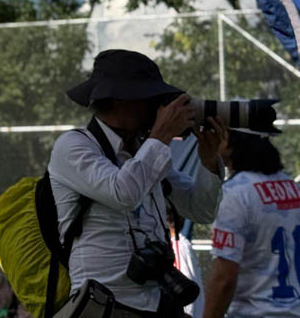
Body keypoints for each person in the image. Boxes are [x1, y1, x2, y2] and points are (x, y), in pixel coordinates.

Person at [49, 49, 227, 318]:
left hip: (159, 301)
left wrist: (209, 163)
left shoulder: (143, 150)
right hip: (106, 306)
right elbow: (122, 193)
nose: (159, 109)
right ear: (122, 99)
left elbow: (200, 209)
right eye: (152, 98)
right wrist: (161, 135)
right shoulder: (74, 146)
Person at [202, 130, 299, 318]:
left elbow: (224, 279)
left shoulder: (236, 194)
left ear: (232, 143)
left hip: (256, 312)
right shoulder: (292, 187)